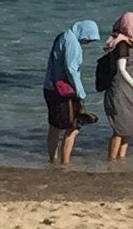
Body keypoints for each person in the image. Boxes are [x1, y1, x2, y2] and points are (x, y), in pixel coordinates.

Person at [43, 19, 101, 165]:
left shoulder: (63, 36)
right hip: (64, 91)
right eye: (88, 39)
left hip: (50, 87)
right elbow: (71, 68)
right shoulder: (72, 42)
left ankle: (52, 160)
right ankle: (65, 162)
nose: (87, 42)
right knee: (74, 126)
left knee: (54, 127)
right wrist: (80, 92)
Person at [101, 12, 133, 160]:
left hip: (129, 89)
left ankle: (121, 159)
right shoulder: (121, 44)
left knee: (129, 127)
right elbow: (121, 69)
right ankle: (112, 160)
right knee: (120, 128)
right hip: (120, 90)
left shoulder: (131, 42)